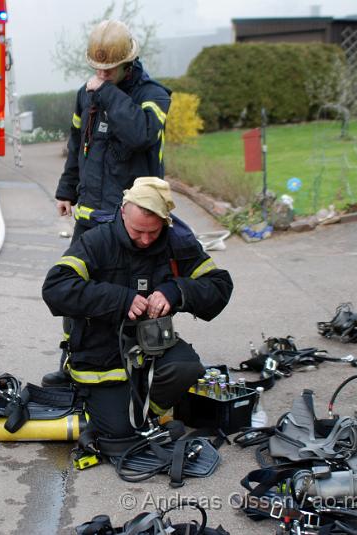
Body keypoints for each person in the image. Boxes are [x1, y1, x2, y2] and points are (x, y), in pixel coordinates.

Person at [42, 177, 233, 439]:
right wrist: (119, 299)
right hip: (101, 352)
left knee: (187, 368)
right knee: (120, 432)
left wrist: (177, 290)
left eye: (153, 232)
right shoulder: (97, 241)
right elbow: (56, 288)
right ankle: (113, 403)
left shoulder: (176, 242)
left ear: (166, 222)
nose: (144, 240)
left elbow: (219, 285)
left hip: (153, 344)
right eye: (136, 231)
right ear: (122, 213)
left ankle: (147, 412)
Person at [55, 19, 171, 243]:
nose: (101, 73)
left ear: (128, 63)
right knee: (69, 275)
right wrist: (66, 191)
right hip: (88, 220)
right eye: (97, 68)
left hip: (133, 225)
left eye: (109, 69)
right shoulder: (86, 94)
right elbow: (78, 145)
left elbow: (140, 135)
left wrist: (106, 93)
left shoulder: (153, 95)